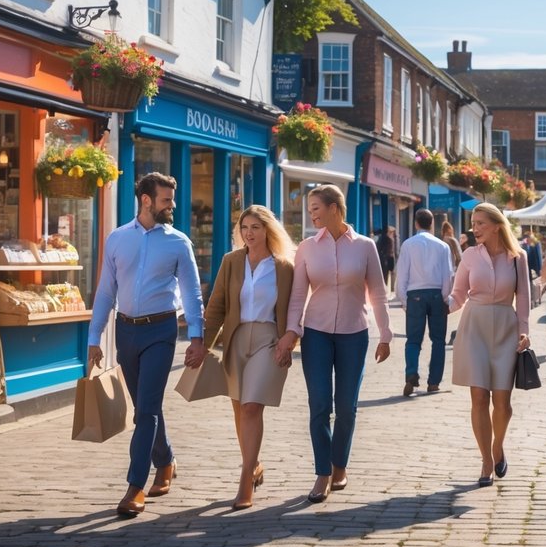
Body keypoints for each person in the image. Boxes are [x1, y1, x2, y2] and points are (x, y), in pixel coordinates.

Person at [87, 172, 205, 518]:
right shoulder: (117, 239)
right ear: (146, 200)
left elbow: (192, 293)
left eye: (172, 199)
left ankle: (135, 486)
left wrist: (197, 337)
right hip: (126, 332)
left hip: (161, 331)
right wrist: (95, 338)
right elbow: (106, 291)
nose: (172, 206)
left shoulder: (179, 242)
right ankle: (165, 460)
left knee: (148, 410)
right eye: (166, 200)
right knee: (144, 407)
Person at [280, 184, 392, 504]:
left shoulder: (366, 246)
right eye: (309, 208)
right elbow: (298, 295)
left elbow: (379, 294)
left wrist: (385, 334)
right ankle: (322, 472)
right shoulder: (307, 248)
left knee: (346, 407)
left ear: (334, 208)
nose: (311, 214)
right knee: (319, 406)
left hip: (354, 334)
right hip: (315, 333)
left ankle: (339, 463)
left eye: (316, 207)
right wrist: (292, 331)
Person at [201, 205, 295, 511]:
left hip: (269, 340)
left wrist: (289, 339)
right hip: (236, 339)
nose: (249, 233)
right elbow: (216, 306)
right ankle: (253, 464)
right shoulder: (231, 262)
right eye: (245, 227)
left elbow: (295, 307)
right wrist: (202, 343)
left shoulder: (283, 267)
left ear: (268, 230)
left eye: (255, 227)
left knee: (253, 407)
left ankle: (244, 480)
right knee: (241, 410)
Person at [448, 202, 531, 487]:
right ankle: (486, 459)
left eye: (481, 222)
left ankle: (498, 446)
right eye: (473, 222)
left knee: (503, 402)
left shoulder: (517, 257)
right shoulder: (469, 256)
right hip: (474, 326)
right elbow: (457, 295)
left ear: (497, 225)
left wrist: (524, 330)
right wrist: (439, 307)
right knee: (479, 397)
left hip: (506, 328)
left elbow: (523, 298)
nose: (475, 228)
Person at [396, 208, 455, 396]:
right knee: (438, 340)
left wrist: (404, 300)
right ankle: (434, 382)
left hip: (415, 295)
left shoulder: (408, 244)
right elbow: (448, 275)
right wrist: (445, 297)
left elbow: (402, 275)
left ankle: (411, 373)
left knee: (413, 340)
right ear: (432, 224)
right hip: (437, 293)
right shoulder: (442, 246)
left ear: (416, 223)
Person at [522, 232, 544, 306]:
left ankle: (536, 299)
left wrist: (540, 269)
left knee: (535, 284)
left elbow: (539, 256)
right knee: (530, 284)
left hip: (534, 268)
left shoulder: (536, 244)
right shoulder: (523, 245)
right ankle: (532, 300)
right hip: (526, 268)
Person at [376, 226, 397, 293]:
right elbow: (389, 253)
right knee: (385, 277)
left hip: (383, 260)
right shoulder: (388, 239)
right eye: (392, 232)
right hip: (385, 261)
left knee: (383, 277)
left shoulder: (381, 239)